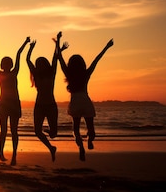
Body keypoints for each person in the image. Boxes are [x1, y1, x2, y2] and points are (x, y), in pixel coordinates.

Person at [55, 32, 114, 161]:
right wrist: (107, 47)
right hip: (85, 102)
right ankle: (90, 140)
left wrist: (58, 41)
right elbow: (97, 59)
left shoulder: (69, 74)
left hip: (75, 103)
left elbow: (59, 58)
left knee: (76, 129)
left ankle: (81, 147)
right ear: (82, 64)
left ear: (71, 65)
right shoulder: (86, 74)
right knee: (90, 128)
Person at [0, 37, 30, 165]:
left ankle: (14, 155)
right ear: (3, 65)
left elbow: (18, 54)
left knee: (14, 130)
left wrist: (25, 43)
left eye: (9, 63)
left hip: (13, 103)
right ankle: (1, 152)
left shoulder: (15, 72)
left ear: (11, 64)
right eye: (5, 63)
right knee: (4, 130)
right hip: (4, 103)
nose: (7, 65)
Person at [26, 36, 68, 161]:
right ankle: (51, 148)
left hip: (50, 105)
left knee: (54, 134)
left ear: (46, 64)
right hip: (39, 105)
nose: (40, 65)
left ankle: (50, 132)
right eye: (39, 64)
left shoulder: (51, 73)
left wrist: (58, 43)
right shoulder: (36, 74)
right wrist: (31, 48)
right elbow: (28, 60)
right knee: (37, 131)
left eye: (42, 63)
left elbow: (55, 58)